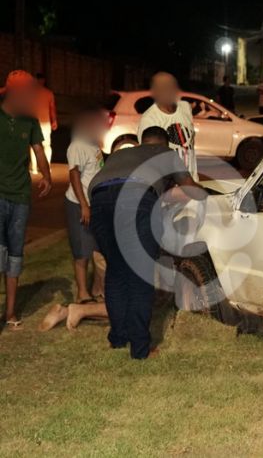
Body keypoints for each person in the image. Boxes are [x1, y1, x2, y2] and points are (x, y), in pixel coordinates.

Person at [88, 126, 206, 359]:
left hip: (99, 199)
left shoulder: (122, 153)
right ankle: (141, 349)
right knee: (140, 274)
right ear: (164, 144)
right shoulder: (167, 155)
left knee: (116, 271)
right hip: (135, 197)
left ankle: (118, 338)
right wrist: (205, 192)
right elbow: (190, 189)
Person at [0, 70, 52, 331]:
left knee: (15, 255)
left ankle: (10, 312)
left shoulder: (29, 121)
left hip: (20, 195)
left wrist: (47, 174)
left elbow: (39, 150)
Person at [65, 107, 107, 304]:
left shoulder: (95, 145)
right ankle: (82, 294)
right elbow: (74, 175)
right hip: (78, 204)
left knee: (98, 249)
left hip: (95, 204)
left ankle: (98, 289)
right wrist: (84, 205)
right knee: (82, 251)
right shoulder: (78, 145)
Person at [138, 72, 197, 179]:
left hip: (191, 181)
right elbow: (149, 161)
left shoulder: (185, 107)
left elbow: (190, 146)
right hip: (168, 187)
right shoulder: (149, 120)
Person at [30, 73, 58, 173]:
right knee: (46, 145)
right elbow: (52, 109)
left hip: (33, 123)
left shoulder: (30, 93)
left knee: (34, 145)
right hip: (45, 123)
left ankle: (34, 169)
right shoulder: (49, 93)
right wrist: (54, 120)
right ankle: (48, 167)